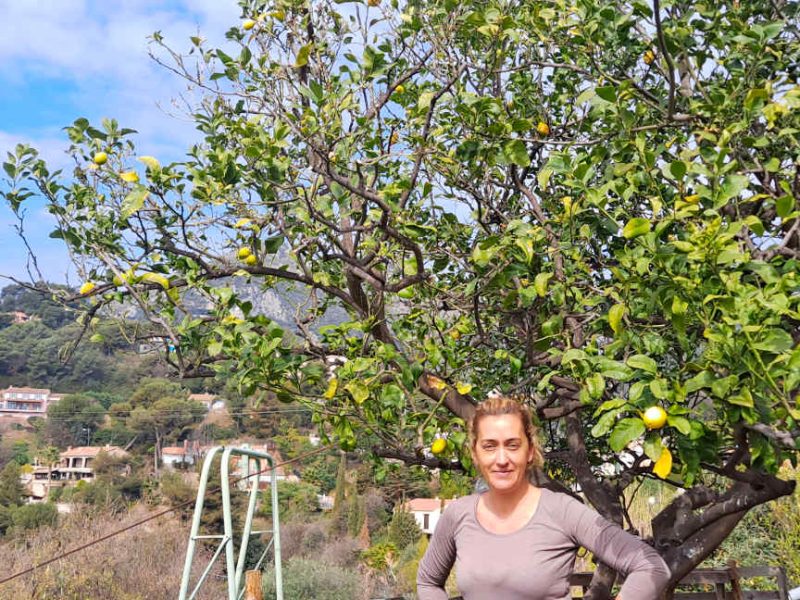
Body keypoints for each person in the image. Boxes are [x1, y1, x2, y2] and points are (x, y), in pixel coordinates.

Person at [417, 396, 671, 600]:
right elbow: (427, 581)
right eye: (490, 446)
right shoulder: (458, 514)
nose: (502, 459)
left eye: (513, 445)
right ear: (475, 454)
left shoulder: (561, 510)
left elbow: (651, 566)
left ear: (530, 451)